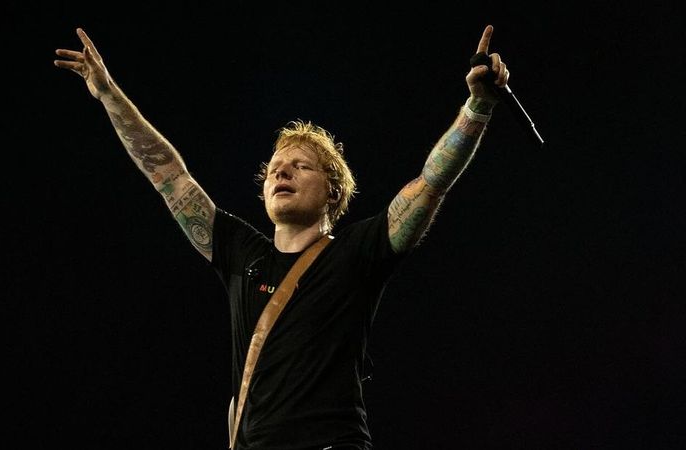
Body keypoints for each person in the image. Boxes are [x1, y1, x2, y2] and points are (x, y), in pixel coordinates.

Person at [54, 24, 509, 450]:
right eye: (274, 169)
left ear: (333, 191)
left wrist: (478, 106)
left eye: (300, 166)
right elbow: (170, 176)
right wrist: (109, 94)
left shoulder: (357, 252)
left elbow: (430, 183)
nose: (281, 172)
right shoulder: (241, 253)